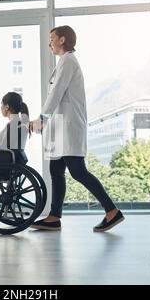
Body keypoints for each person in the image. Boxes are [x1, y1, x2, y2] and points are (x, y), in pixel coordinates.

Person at [29, 25, 124, 232]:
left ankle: (112, 211)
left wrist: (42, 118)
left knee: (78, 171)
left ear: (62, 40)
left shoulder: (68, 61)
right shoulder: (65, 62)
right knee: (56, 169)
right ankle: (54, 217)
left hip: (69, 126)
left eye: (52, 38)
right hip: (62, 127)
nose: (49, 43)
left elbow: (56, 93)